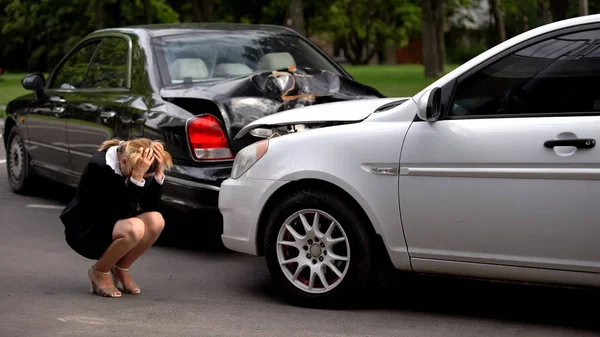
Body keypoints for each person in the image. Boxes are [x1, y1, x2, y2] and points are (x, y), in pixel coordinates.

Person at [60, 138, 173, 298]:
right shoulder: (99, 166)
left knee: (156, 220)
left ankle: (121, 268)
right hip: (86, 231)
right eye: (137, 173)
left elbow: (149, 207)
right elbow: (119, 212)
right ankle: (99, 271)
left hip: (113, 224)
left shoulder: (137, 161)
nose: (143, 178)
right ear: (124, 160)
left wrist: (158, 174)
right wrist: (136, 178)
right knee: (135, 228)